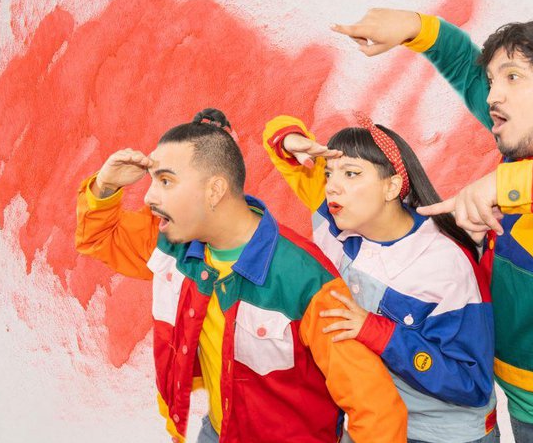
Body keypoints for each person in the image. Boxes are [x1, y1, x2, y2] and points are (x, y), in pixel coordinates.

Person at [331, 9, 533, 442]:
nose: (492, 96)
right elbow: (464, 67)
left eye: (512, 78)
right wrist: (417, 28)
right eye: (492, 81)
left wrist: (513, 183)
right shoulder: (525, 138)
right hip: (522, 405)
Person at [74, 108, 408, 443]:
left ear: (214, 190)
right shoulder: (172, 243)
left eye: (166, 181)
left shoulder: (306, 280)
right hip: (218, 431)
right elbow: (98, 238)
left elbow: (377, 409)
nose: (149, 197)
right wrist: (105, 186)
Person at [262, 111, 498, 443]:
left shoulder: (445, 265)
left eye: (351, 173)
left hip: (440, 434)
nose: (332, 187)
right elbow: (275, 137)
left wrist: (375, 330)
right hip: (375, 423)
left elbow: (471, 383)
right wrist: (290, 139)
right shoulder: (335, 215)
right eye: (328, 174)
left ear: (391, 187)